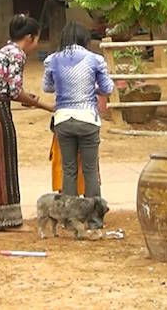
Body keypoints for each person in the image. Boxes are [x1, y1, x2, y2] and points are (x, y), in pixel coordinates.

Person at [0, 15, 54, 231]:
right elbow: (15, 92)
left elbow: (11, 90)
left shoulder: (3, 52)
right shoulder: (17, 54)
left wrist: (29, 99)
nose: (36, 45)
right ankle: (7, 221)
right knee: (3, 161)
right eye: (36, 39)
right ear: (29, 37)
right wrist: (45, 105)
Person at [42, 22, 114, 214]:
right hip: (88, 119)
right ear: (85, 40)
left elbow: (47, 87)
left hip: (63, 119)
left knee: (69, 169)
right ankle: (94, 217)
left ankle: (69, 216)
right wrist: (92, 89)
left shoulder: (52, 60)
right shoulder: (95, 59)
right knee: (90, 170)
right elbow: (108, 89)